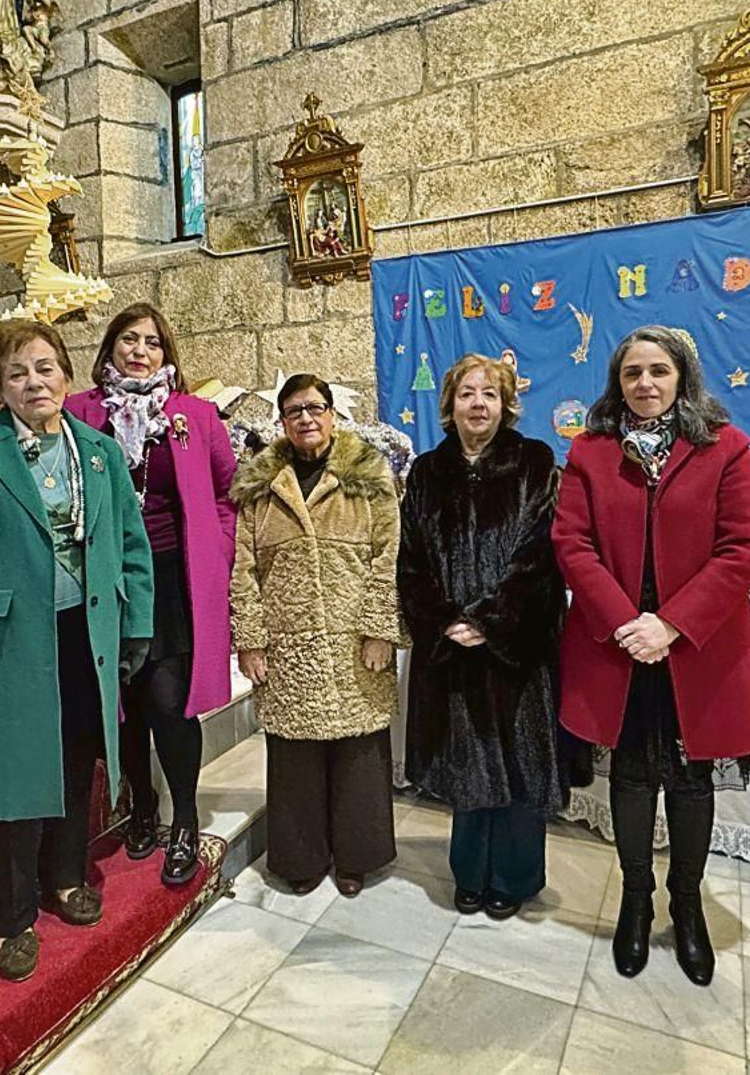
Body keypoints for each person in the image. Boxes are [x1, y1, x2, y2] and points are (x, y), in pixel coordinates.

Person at [0, 319, 154, 982]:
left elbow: (131, 549)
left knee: (77, 764)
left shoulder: (100, 454)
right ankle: (11, 918)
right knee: (8, 783)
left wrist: (134, 628)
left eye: (45, 367)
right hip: (4, 643)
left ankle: (67, 876)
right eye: (17, 372)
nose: (33, 382)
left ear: (67, 375)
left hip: (85, 633)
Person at [552, 325, 750, 987]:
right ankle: (634, 899)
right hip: (619, 646)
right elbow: (572, 542)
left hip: (697, 649)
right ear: (616, 383)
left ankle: (686, 906)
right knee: (629, 776)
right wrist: (627, 621)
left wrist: (672, 624)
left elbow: (745, 546)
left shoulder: (726, 448)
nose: (646, 384)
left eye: (659, 371)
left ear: (683, 377)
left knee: (688, 780)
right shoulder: (590, 453)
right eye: (632, 374)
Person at [65, 303, 236, 888]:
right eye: (129, 339)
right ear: (109, 347)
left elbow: (226, 492)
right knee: (124, 700)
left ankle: (184, 818)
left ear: (168, 356)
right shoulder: (79, 414)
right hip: (105, 579)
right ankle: (140, 804)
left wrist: (219, 550)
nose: (140, 350)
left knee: (167, 702)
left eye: (154, 343)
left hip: (171, 577)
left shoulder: (196, 415)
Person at [397, 355, 568, 919]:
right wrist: (447, 619)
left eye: (489, 394)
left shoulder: (535, 462)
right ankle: (470, 873)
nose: (477, 403)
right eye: (466, 393)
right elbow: (413, 560)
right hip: (452, 646)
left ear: (506, 404)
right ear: (449, 405)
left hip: (516, 646)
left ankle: (515, 876)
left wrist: (491, 621)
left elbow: (541, 554)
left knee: (520, 764)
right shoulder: (426, 472)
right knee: (466, 764)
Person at [230, 374, 403, 897]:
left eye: (315, 407)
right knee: (295, 756)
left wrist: (379, 629)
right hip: (288, 642)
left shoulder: (369, 476)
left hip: (354, 640)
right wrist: (250, 638)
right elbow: (243, 568)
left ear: (333, 414)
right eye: (294, 411)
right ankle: (301, 857)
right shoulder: (261, 487)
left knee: (357, 750)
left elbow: (389, 555)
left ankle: (357, 855)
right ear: (281, 422)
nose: (306, 418)